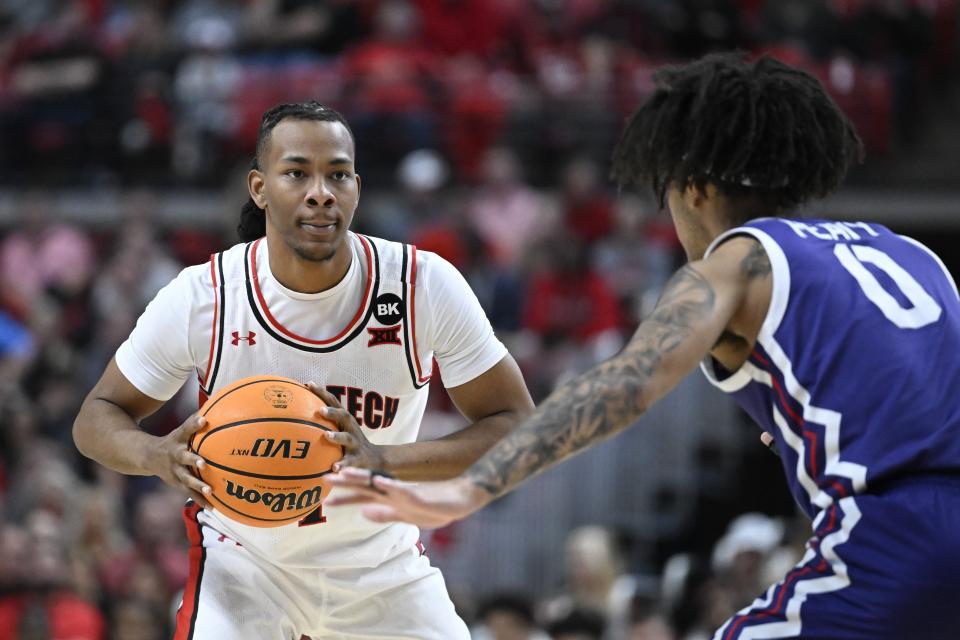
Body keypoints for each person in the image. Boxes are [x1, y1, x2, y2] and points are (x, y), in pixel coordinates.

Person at [327, 53, 960, 638]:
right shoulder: (913, 256)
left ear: (694, 187)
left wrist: (466, 489)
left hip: (891, 543)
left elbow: (623, 386)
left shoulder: (737, 262)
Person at [72, 101, 534, 639]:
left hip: (381, 570)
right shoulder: (205, 297)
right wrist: (155, 455)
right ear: (259, 187)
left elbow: (517, 424)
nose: (321, 191)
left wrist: (387, 459)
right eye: (297, 173)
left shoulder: (420, 285)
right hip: (243, 568)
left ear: (357, 188)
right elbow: (94, 419)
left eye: (337, 174)